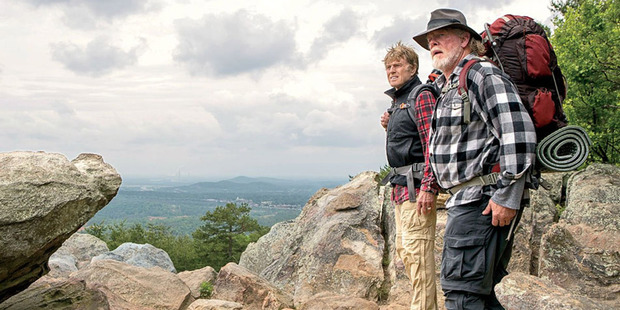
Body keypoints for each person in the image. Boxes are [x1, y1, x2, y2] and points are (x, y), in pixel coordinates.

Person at [412, 8, 537, 309]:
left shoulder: (481, 73)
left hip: (480, 202)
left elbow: (518, 133)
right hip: (468, 201)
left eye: (441, 36)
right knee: (483, 293)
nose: (433, 44)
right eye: (430, 39)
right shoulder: (449, 85)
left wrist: (508, 195)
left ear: (465, 38)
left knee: (461, 293)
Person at [380, 41, 440, 310]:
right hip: (401, 187)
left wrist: (429, 186)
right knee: (407, 252)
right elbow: (409, 140)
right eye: (388, 66)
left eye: (397, 65)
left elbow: (431, 144)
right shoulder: (400, 100)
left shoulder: (420, 94)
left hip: (417, 189)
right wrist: (389, 123)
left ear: (412, 67)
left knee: (418, 259)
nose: (392, 70)